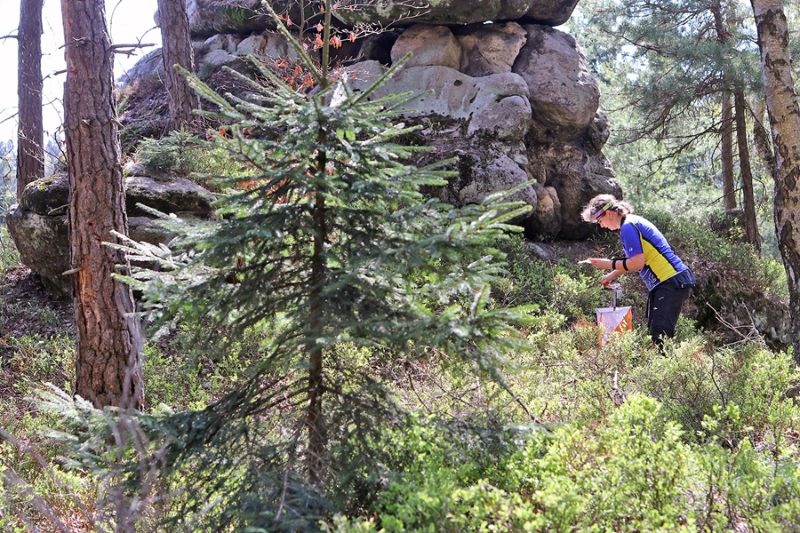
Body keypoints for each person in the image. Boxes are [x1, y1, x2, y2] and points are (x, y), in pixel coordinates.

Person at [581, 194, 695, 348]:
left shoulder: (628, 226)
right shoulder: (630, 223)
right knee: (655, 335)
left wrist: (608, 264)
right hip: (667, 282)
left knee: (659, 338)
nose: (601, 226)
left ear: (609, 213)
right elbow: (638, 260)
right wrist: (613, 274)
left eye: (600, 221)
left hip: (670, 280)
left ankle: (670, 369)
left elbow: (637, 263)